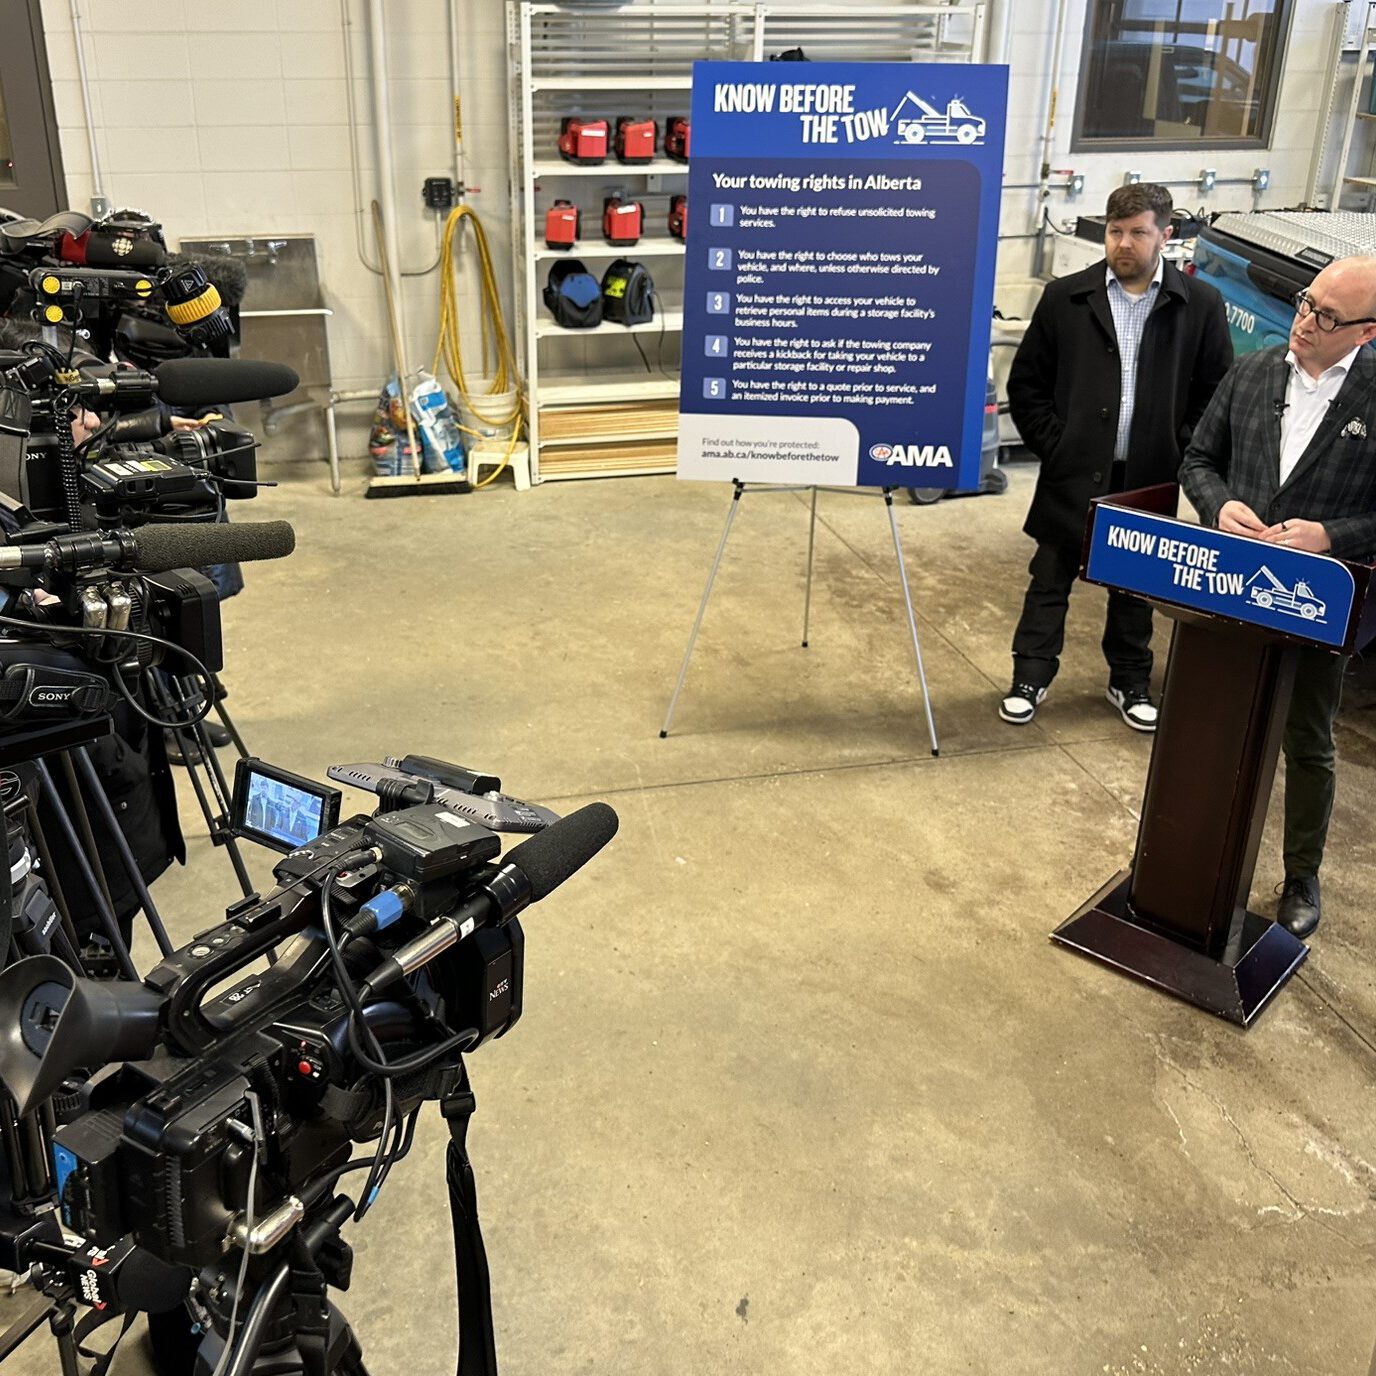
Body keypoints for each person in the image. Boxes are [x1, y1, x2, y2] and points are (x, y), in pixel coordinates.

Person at [1179, 255, 1376, 937]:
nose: (1306, 322)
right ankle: (1195, 852)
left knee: (1309, 740)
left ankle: (1301, 876)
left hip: (1319, 602)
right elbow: (1198, 460)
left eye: (1328, 317)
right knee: (1216, 722)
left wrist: (1331, 536)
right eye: (1305, 303)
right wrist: (1219, 505)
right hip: (1232, 587)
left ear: (1367, 332)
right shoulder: (1254, 372)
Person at [1002, 183, 1233, 731]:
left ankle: (1129, 682)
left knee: (1135, 586)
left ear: (1166, 235)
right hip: (1072, 471)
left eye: (1138, 232)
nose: (1123, 244)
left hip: (1146, 476)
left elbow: (1215, 393)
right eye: (1114, 232)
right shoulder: (1066, 298)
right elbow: (1027, 384)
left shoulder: (1200, 306)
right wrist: (1058, 445)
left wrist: (1180, 450)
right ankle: (1029, 677)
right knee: (1049, 578)